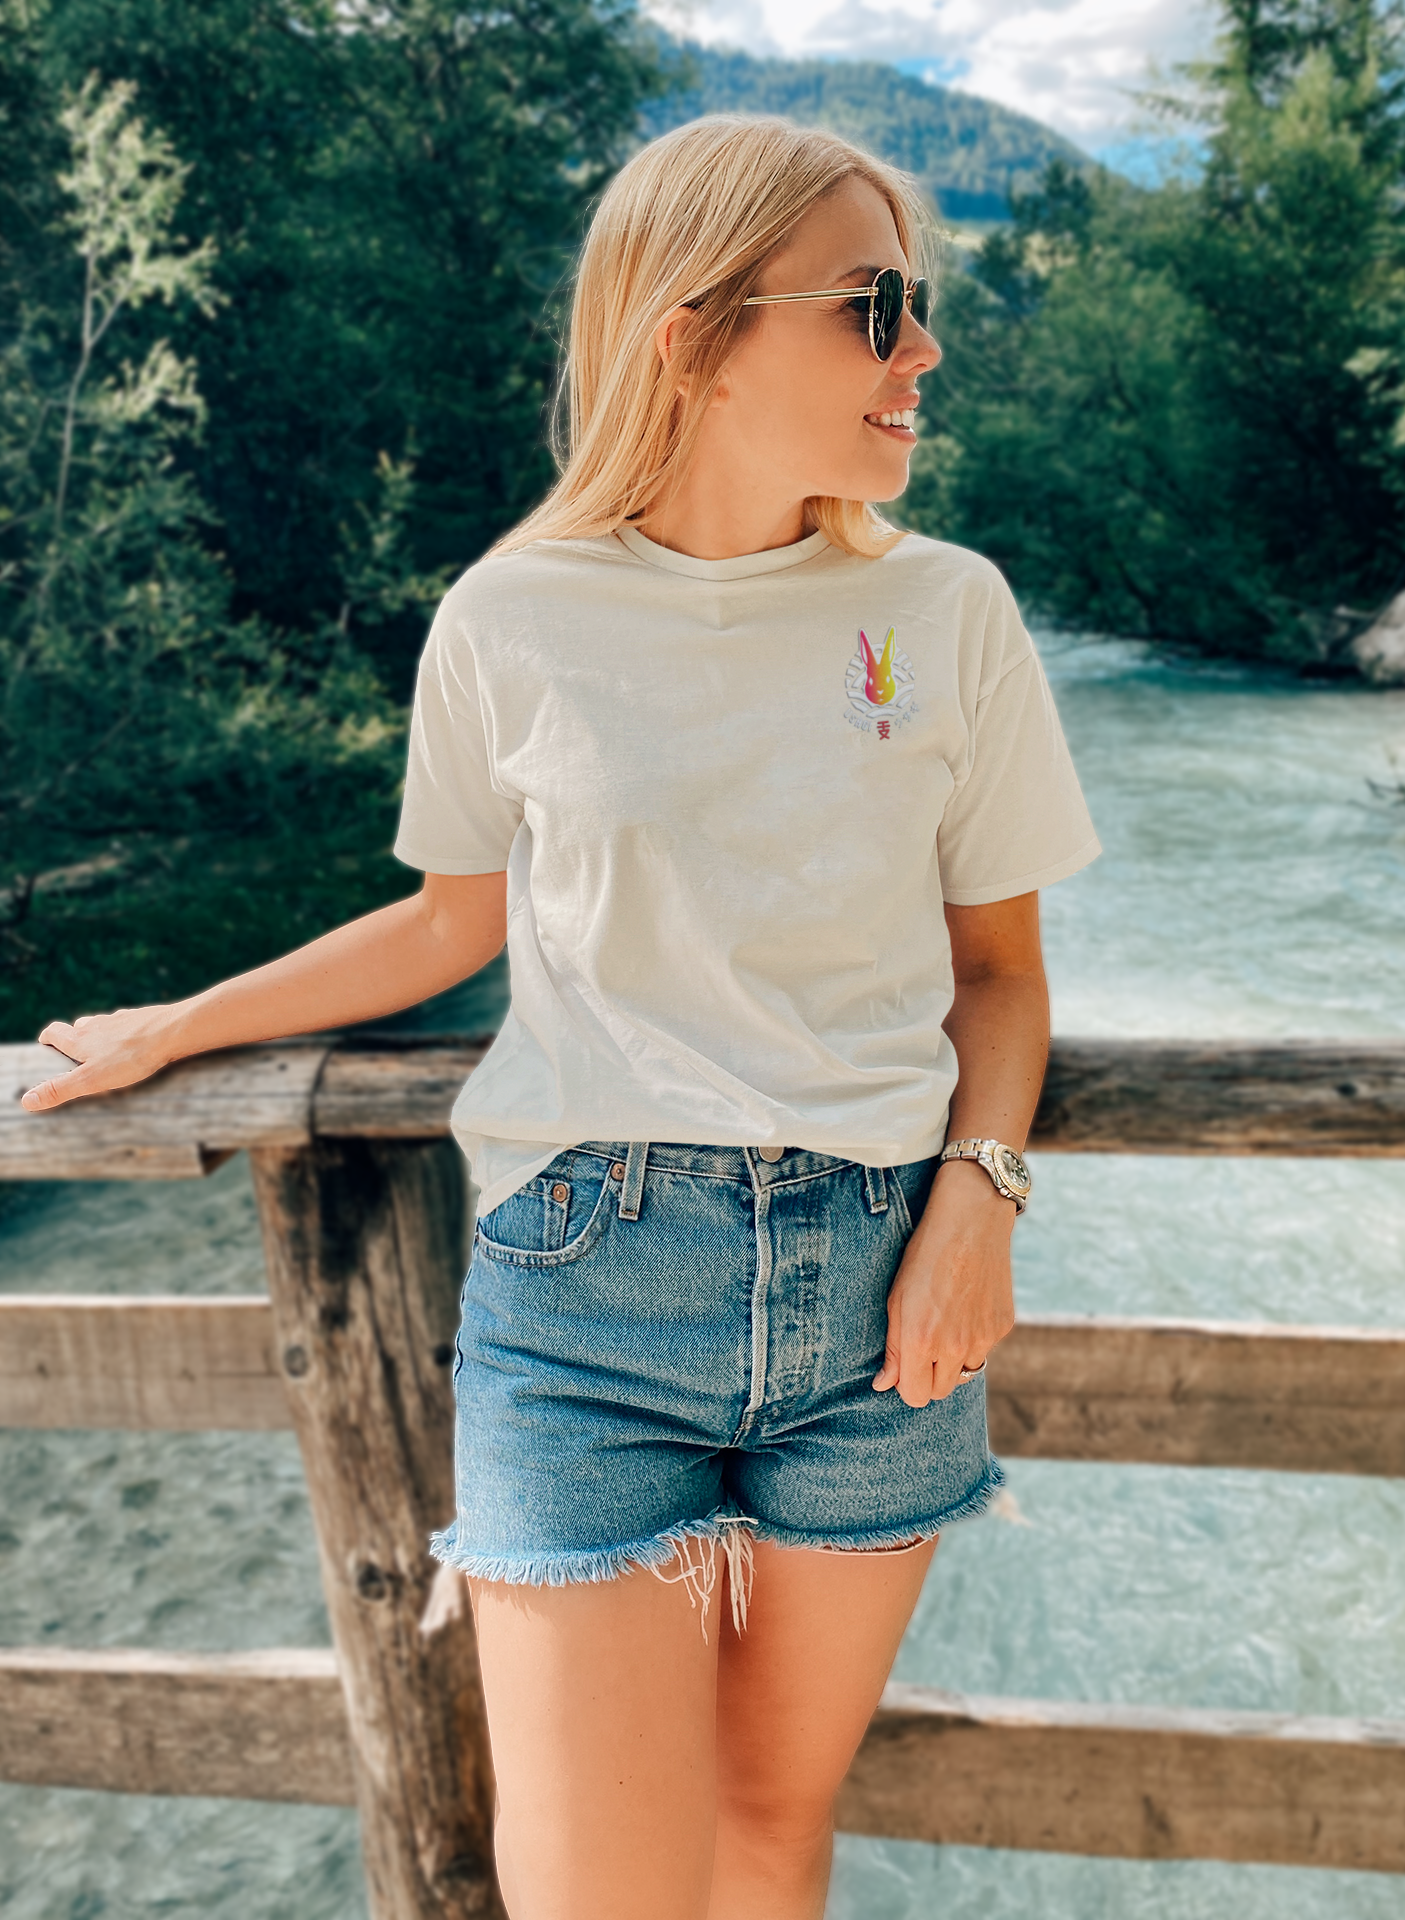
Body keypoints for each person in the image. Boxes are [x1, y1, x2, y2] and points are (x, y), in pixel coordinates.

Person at [22, 116, 1099, 1920]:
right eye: (875, 305)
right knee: (593, 1889)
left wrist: (980, 1198)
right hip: (584, 1293)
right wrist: (180, 1023)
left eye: (917, 305)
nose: (920, 350)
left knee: (767, 1826)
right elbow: (449, 923)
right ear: (693, 334)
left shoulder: (947, 613)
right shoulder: (509, 616)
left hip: (886, 1281)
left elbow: (1001, 973)